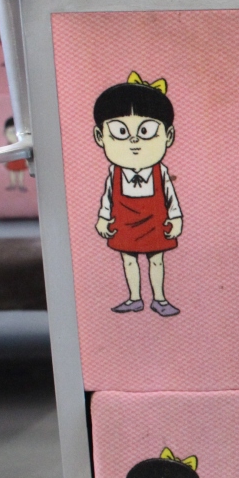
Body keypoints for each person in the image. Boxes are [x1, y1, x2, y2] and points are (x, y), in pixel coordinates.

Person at [93, 72, 183, 317]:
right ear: (100, 137)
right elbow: (107, 199)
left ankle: (159, 299)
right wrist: (103, 218)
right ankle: (134, 298)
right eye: (121, 132)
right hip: (124, 222)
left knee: (156, 260)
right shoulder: (114, 173)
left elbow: (170, 198)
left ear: (168, 136)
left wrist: (176, 218)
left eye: (146, 132)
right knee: (129, 259)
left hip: (156, 222)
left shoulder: (160, 172)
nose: (134, 141)